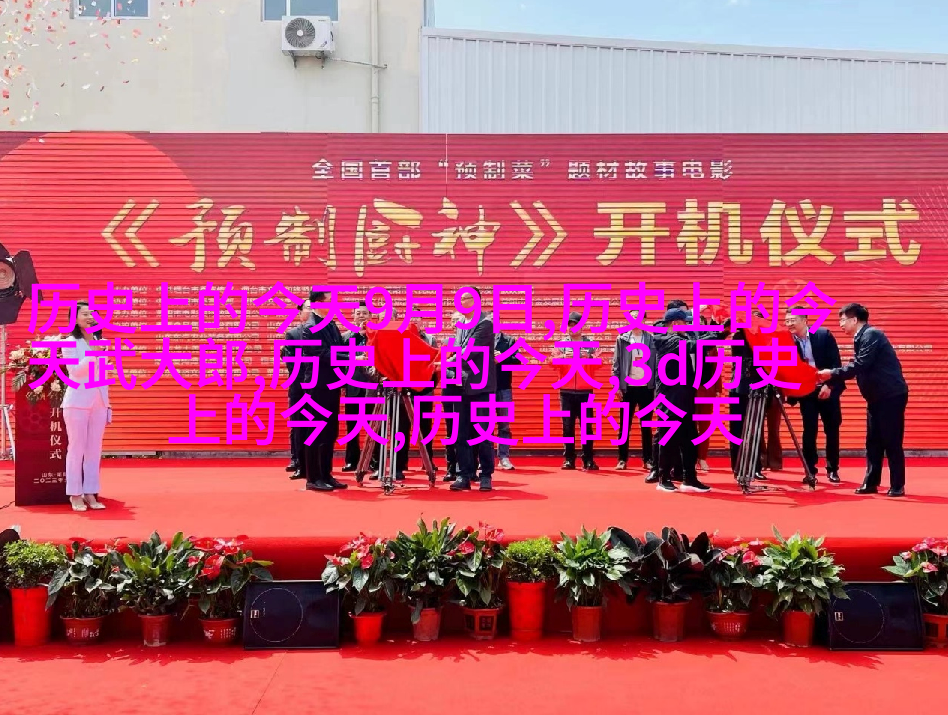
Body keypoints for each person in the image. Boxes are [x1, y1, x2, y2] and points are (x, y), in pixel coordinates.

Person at [818, 303, 908, 497]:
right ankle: (871, 483)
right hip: (876, 397)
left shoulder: (871, 335)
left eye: (843, 320)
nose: (841, 324)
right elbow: (858, 365)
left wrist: (831, 373)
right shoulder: (862, 337)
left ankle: (897, 485)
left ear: (854, 319)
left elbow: (860, 364)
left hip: (890, 396)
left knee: (891, 441)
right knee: (873, 442)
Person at [651, 308, 714, 493]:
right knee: (668, 440)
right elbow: (696, 345)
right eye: (686, 322)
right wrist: (721, 333)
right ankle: (663, 479)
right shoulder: (667, 339)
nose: (688, 325)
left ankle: (689, 479)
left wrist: (717, 328)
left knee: (690, 440)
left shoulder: (682, 338)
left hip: (684, 397)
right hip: (669, 400)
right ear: (675, 323)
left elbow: (699, 342)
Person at [445, 287, 497, 492]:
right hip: (461, 386)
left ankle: (485, 475)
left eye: (464, 298)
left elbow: (468, 352)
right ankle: (464, 475)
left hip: (481, 387)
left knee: (482, 433)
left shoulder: (486, 323)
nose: (460, 301)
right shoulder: (461, 325)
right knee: (461, 433)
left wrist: (444, 362)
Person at [785, 306, 844, 484]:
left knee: (831, 429)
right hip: (807, 390)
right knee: (809, 430)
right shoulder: (787, 340)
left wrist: (829, 385)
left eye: (792, 320)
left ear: (804, 320)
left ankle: (833, 469)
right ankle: (810, 469)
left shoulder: (823, 335)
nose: (789, 324)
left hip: (827, 387)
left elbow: (836, 363)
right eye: (787, 321)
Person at [61, 302, 111, 512]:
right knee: (76, 448)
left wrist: (107, 404)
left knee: (94, 449)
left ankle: (90, 492)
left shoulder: (101, 341)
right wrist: (93, 354)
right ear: (75, 318)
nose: (90, 317)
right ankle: (75, 494)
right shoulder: (70, 342)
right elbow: (75, 372)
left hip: (98, 401)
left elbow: (103, 375)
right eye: (85, 314)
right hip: (77, 402)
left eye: (93, 314)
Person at [300, 291, 347, 492]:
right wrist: (352, 358)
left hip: (332, 384)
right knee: (315, 430)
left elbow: (339, 349)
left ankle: (326, 474)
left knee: (330, 430)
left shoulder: (331, 324)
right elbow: (322, 354)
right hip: (317, 386)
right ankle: (313, 478)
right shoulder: (309, 328)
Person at [553, 311, 601, 471]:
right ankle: (569, 459)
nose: (572, 328)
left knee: (587, 427)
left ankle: (588, 459)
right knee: (567, 426)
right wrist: (562, 358)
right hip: (566, 391)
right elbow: (551, 363)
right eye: (570, 325)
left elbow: (600, 362)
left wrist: (589, 357)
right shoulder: (561, 344)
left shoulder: (591, 344)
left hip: (585, 391)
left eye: (575, 325)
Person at [612, 310, 656, 471]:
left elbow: (657, 364)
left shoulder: (651, 339)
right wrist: (617, 386)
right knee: (624, 426)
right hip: (628, 388)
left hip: (646, 388)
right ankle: (622, 459)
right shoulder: (622, 339)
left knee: (646, 425)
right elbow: (616, 364)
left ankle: (648, 459)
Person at [282, 301, 313, 480]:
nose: (312, 311)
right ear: (300, 313)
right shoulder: (293, 334)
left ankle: (316, 463)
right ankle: (298, 461)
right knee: (298, 425)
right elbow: (292, 363)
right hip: (300, 387)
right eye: (308, 308)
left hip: (319, 387)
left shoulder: (324, 331)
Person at [340, 302, 371, 472]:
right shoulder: (345, 338)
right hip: (352, 387)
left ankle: (374, 462)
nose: (361, 316)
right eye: (358, 313)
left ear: (370, 316)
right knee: (352, 426)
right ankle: (352, 460)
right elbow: (338, 360)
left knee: (375, 427)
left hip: (373, 388)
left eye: (364, 313)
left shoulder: (376, 335)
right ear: (353, 316)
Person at [494, 329, 519, 471]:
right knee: (484, 425)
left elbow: (518, 361)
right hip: (484, 388)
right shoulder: (480, 337)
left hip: (504, 388)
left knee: (504, 425)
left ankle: (503, 457)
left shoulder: (509, 341)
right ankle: (485, 458)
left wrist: (502, 357)